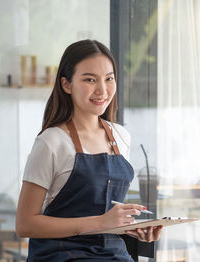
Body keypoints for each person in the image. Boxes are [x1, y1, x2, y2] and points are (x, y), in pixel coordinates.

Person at [15, 40, 162, 261]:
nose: (102, 90)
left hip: (112, 254)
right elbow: (25, 224)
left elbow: (106, 211)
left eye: (109, 79)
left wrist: (132, 229)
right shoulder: (51, 142)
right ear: (66, 85)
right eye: (90, 79)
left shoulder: (121, 136)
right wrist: (101, 223)